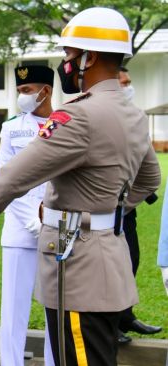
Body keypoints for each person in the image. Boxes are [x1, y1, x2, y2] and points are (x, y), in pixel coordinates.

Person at [0, 7, 161, 365]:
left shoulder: (78, 116)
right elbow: (151, 179)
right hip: (110, 258)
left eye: (69, 55)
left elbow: (10, 181)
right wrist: (107, 208)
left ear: (88, 58)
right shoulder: (132, 114)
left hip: (78, 268)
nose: (65, 63)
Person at [0, 65, 55, 366]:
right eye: (20, 91)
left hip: (57, 230)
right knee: (13, 311)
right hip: (20, 231)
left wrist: (48, 221)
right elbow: (4, 181)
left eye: (28, 90)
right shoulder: (11, 128)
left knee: (54, 310)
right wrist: (32, 220)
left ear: (46, 91)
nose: (22, 96)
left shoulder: (66, 124)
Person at [115, 66, 161, 344]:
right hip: (100, 211)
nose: (128, 87)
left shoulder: (134, 117)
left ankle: (125, 317)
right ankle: (109, 327)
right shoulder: (96, 115)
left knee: (131, 261)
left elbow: (148, 164)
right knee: (110, 269)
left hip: (126, 207)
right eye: (123, 83)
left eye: (129, 82)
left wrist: (129, 203)